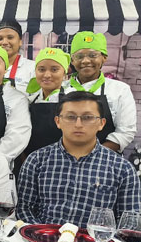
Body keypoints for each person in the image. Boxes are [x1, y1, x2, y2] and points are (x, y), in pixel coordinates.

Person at [17, 91, 140, 227]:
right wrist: (41, 234)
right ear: (58, 121)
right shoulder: (36, 160)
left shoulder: (122, 169)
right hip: (39, 241)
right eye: (70, 117)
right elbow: (24, 209)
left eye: (87, 117)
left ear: (101, 123)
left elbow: (129, 222)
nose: (78, 124)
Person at [65, 31, 136, 153]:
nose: (86, 61)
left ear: (104, 58)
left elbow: (126, 131)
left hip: (105, 160)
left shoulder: (120, 90)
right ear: (72, 60)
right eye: (79, 56)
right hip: (63, 159)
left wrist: (95, 155)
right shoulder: (60, 89)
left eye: (92, 55)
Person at [21, 47, 71, 158]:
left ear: (64, 72)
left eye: (54, 70)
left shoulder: (73, 100)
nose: (47, 75)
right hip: (32, 159)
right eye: (41, 69)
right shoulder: (30, 100)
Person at [0, 20, 34, 93]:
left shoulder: (33, 68)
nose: (4, 42)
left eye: (10, 37)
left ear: (20, 41)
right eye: (0, 38)